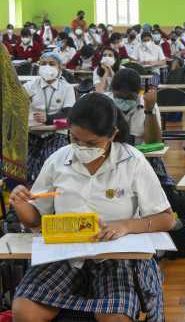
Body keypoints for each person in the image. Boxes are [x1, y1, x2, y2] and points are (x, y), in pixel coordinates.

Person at [10, 92, 175, 322]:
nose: (81, 147)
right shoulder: (58, 160)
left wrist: (126, 225)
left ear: (113, 134)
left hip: (116, 259)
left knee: (115, 317)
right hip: (64, 256)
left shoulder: (132, 162)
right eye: (75, 139)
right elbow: (35, 220)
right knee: (24, 310)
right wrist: (20, 203)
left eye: (92, 143)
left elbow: (166, 218)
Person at [23, 52, 76, 184]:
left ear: (60, 68)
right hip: (32, 132)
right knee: (26, 167)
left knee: (49, 163)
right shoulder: (31, 85)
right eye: (43, 64)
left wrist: (48, 119)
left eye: (52, 64)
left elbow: (68, 115)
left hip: (56, 133)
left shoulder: (67, 88)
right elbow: (16, 102)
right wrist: (22, 102)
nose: (47, 67)